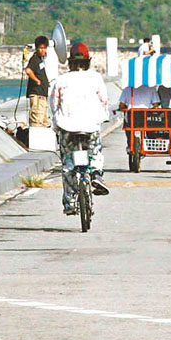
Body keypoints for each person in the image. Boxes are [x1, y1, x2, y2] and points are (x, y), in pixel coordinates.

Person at [49, 42, 110, 214]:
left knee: (68, 164)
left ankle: (69, 203)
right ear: (88, 61)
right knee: (96, 152)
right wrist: (102, 116)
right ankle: (96, 174)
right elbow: (104, 101)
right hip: (90, 126)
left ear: (70, 62)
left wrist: (56, 125)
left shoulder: (61, 80)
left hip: (67, 127)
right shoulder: (96, 78)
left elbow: (54, 104)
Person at [25, 35, 51, 127]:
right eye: (40, 48)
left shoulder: (40, 60)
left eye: (44, 48)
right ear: (36, 48)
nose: (43, 50)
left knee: (44, 121)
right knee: (37, 120)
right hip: (37, 94)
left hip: (42, 94)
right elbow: (28, 70)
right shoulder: (35, 59)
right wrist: (37, 80)